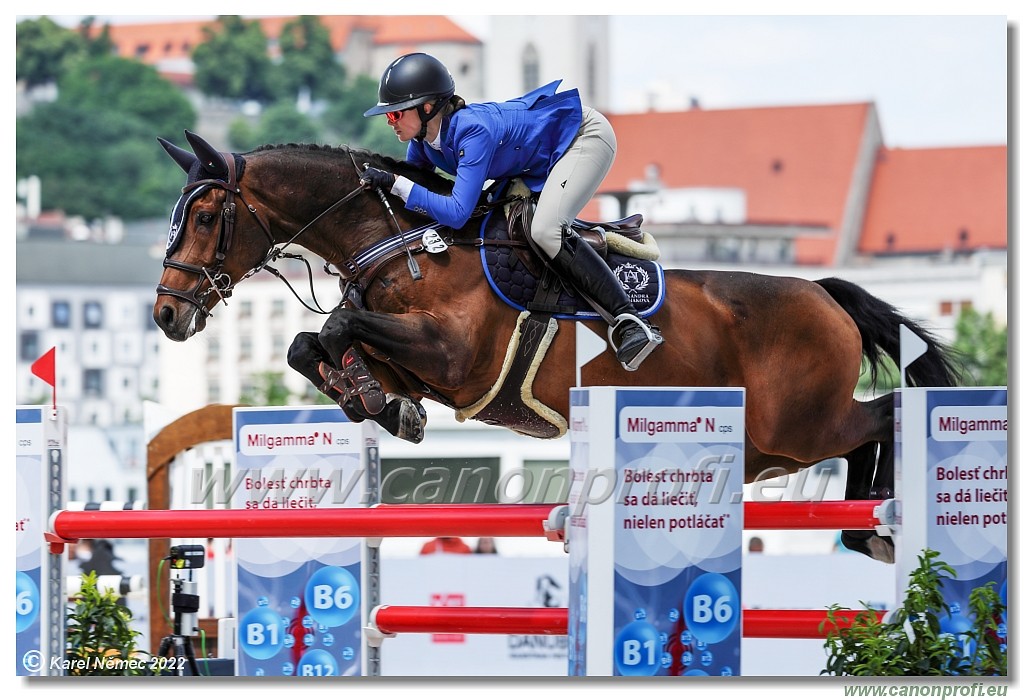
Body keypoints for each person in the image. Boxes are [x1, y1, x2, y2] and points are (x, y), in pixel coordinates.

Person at [360, 52, 663, 371]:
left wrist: (395, 184)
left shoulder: (472, 131)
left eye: (394, 115)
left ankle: (629, 321)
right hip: (534, 157)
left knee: (546, 230)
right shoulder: (422, 140)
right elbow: (418, 189)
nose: (389, 122)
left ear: (426, 107)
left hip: (582, 137)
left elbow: (456, 210)